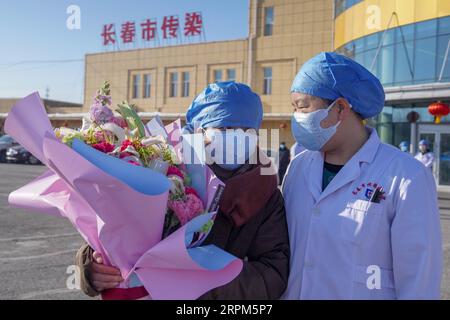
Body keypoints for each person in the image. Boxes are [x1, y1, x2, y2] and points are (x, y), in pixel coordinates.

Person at [75, 81, 290, 300]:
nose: (236, 137)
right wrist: (91, 268)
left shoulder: (266, 193)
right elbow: (110, 233)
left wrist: (197, 283)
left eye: (247, 130)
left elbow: (273, 273)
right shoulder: (165, 172)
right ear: (199, 131)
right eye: (224, 128)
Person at [282, 52, 442, 299]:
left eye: (303, 107)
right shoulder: (298, 167)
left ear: (341, 108)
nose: (297, 118)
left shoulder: (406, 176)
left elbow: (418, 280)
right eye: (294, 109)